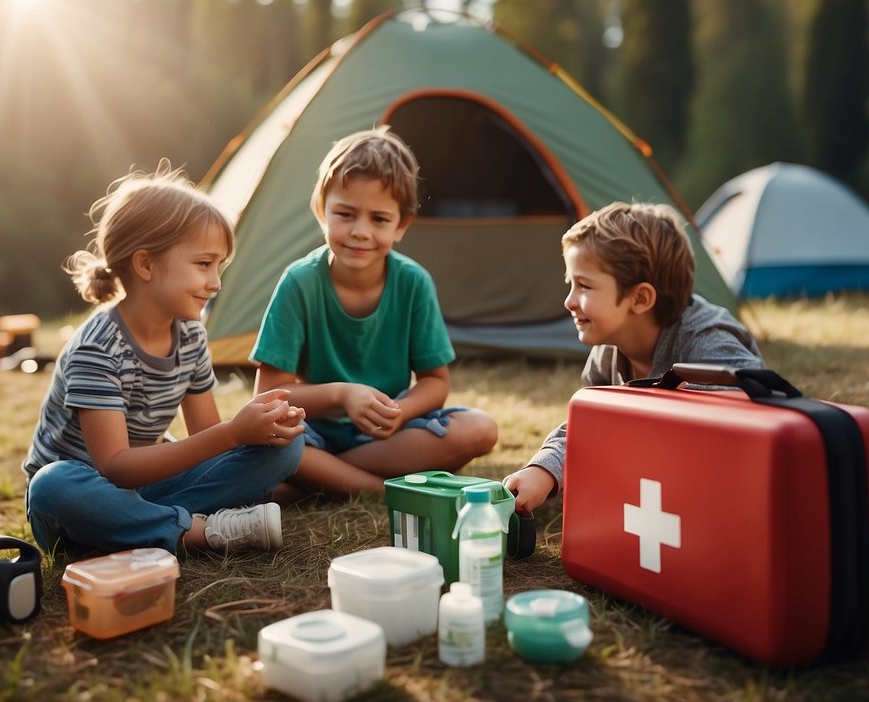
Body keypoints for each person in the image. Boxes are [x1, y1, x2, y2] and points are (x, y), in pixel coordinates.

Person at [24, 161, 306, 558]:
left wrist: (254, 429)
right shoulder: (97, 348)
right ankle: (200, 532)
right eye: (204, 264)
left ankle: (149, 525)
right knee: (53, 483)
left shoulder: (190, 335)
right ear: (145, 264)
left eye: (219, 266)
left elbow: (206, 434)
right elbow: (116, 468)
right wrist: (233, 434)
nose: (216, 282)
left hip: (144, 492)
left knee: (287, 446)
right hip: (79, 504)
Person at [251, 127, 498, 498]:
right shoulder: (299, 282)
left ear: (401, 226)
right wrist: (341, 395)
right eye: (346, 214)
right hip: (309, 432)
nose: (360, 232)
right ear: (321, 212)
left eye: (379, 220)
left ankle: (316, 481)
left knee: (479, 428)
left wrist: (400, 410)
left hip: (384, 437)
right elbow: (269, 396)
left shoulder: (414, 283)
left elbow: (436, 382)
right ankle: (376, 488)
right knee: (274, 443)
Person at [503, 201, 764, 514]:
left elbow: (757, 410)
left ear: (640, 298)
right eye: (570, 283)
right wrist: (544, 469)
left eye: (584, 285)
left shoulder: (706, 341)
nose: (569, 301)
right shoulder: (607, 349)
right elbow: (587, 426)